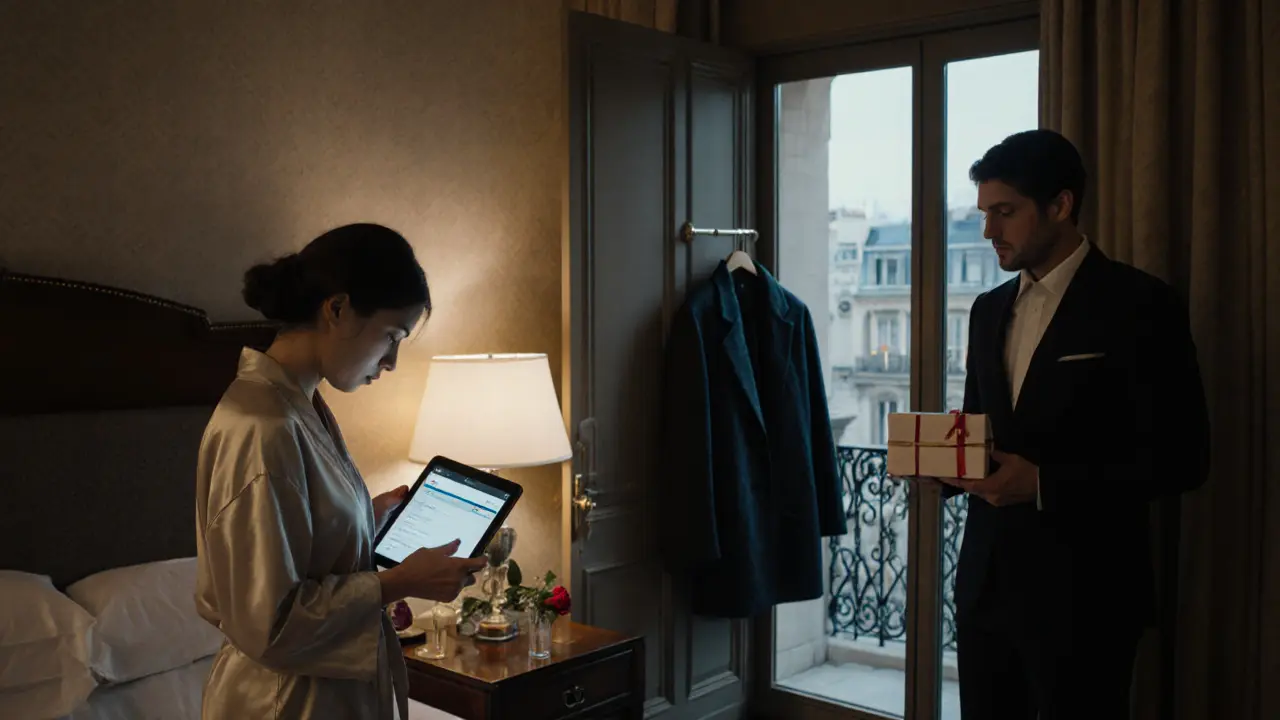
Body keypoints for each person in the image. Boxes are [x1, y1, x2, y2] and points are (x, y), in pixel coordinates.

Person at [929, 130, 1209, 719]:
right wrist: (939, 465)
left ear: (1061, 205)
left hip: (1089, 598)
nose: (988, 232)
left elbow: (1184, 456)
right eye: (984, 213)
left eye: (1004, 213)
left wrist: (1043, 484)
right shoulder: (986, 310)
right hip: (986, 588)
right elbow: (983, 431)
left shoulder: (1141, 304)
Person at [194, 223, 488, 720]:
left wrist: (359, 522)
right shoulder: (263, 427)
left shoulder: (299, 403)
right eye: (392, 336)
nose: (392, 361)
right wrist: (396, 583)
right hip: (284, 703)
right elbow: (269, 623)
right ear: (337, 309)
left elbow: (290, 540)